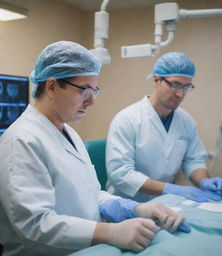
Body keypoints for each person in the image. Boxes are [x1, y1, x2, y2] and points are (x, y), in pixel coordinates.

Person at [0, 42, 190, 256]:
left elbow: (91, 194)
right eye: (84, 90)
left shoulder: (68, 133)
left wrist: (136, 209)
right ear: (51, 86)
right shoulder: (21, 142)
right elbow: (35, 224)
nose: (91, 101)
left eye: (95, 91)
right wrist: (108, 232)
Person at [106, 52, 222, 203]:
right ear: (156, 80)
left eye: (186, 87)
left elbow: (193, 160)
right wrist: (171, 188)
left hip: (166, 203)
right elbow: (120, 174)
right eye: (174, 84)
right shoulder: (127, 119)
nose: (180, 94)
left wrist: (204, 182)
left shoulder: (185, 121)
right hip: (127, 205)